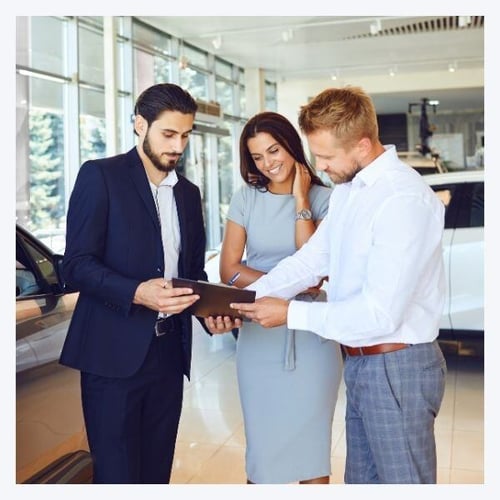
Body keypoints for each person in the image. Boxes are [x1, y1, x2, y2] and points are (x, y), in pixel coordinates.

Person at [229, 86, 448, 484]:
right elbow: (312, 259)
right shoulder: (351, 192)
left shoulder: (401, 199)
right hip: (362, 362)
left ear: (362, 145)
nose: (321, 166)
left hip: (397, 365)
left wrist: (290, 312)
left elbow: (380, 313)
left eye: (327, 156)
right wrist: (245, 300)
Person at [59, 83, 209, 484]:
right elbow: (75, 265)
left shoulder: (189, 195)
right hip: (112, 356)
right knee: (117, 476)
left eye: (186, 136)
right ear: (140, 125)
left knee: (156, 474)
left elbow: (194, 272)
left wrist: (214, 313)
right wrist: (136, 291)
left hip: (168, 355)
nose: (178, 146)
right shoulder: (100, 176)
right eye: (169, 134)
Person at [214, 111, 343, 484]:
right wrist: (287, 283)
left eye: (274, 150)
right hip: (259, 338)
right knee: (263, 453)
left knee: (313, 453)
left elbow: (315, 264)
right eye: (257, 157)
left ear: (291, 145)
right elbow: (229, 270)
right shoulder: (246, 199)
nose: (269, 163)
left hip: (313, 339)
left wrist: (301, 197)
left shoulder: (326, 200)